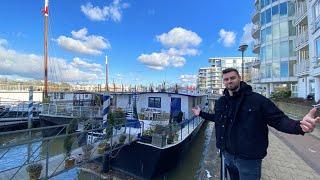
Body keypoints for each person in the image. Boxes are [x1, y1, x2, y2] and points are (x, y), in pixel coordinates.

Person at [192, 68, 320, 180]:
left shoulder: (257, 100)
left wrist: (299, 126)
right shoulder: (221, 101)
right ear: (223, 82)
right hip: (228, 155)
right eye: (226, 79)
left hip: (249, 159)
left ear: (239, 78)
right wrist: (201, 114)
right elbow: (219, 119)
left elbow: (279, 120)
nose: (229, 81)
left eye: (232, 78)